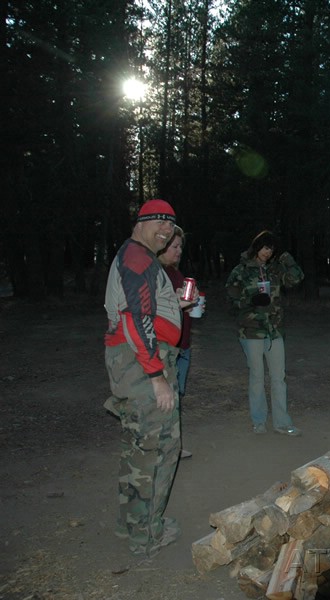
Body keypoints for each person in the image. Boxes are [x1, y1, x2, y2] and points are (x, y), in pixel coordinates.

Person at [103, 198, 193, 558]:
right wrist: (157, 376)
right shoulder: (138, 257)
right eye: (158, 222)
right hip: (142, 366)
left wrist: (175, 305)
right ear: (139, 223)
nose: (166, 230)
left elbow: (145, 309)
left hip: (136, 361)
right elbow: (134, 318)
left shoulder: (137, 257)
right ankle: (147, 536)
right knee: (158, 451)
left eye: (171, 225)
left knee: (138, 448)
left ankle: (132, 525)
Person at [226, 230, 304, 436]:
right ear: (257, 246)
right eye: (265, 247)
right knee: (257, 376)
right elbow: (231, 299)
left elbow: (296, 280)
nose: (268, 253)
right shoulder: (241, 270)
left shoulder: (275, 269)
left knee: (279, 377)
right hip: (251, 331)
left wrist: (288, 260)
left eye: (272, 249)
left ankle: (282, 422)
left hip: (274, 330)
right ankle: (259, 421)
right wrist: (250, 301)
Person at [157, 226, 201, 459]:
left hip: (182, 346)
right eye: (174, 246)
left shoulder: (175, 272)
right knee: (166, 400)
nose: (179, 250)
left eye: (180, 246)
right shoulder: (155, 274)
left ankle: (174, 446)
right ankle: (165, 449)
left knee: (176, 398)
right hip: (167, 348)